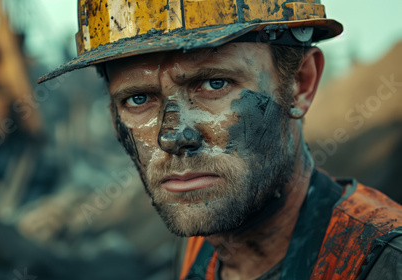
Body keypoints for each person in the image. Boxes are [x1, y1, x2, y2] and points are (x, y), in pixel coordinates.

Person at [38, 1, 402, 279]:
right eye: (138, 99)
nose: (172, 136)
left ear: (300, 83)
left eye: (214, 84)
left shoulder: (384, 262)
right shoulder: (200, 242)